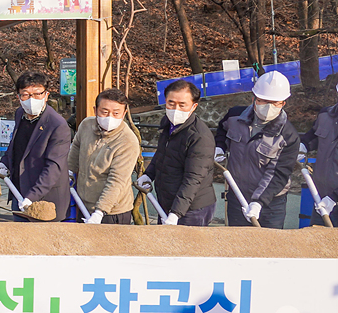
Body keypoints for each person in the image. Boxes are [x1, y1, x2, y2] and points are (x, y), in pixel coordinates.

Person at [214, 71, 299, 228]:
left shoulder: (288, 136)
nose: (268, 107)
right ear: (254, 98)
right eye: (263, 101)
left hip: (270, 203)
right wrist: (219, 146)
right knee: (238, 245)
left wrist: (259, 202)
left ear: (283, 103)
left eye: (275, 103)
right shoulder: (234, 116)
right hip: (237, 197)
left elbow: (278, 174)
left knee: (269, 248)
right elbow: (222, 130)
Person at [138, 79, 216, 226]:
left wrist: (176, 213)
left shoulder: (199, 137)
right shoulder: (168, 125)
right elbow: (162, 153)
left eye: (182, 105)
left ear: (193, 106)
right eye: (171, 103)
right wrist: (149, 174)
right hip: (167, 202)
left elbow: (193, 178)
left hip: (192, 209)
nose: (175, 109)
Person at [0, 71, 71, 221]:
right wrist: (4, 162)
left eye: (37, 94)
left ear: (46, 95)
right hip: (19, 193)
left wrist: (32, 196)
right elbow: (16, 145)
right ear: (18, 96)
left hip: (46, 200)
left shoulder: (57, 125)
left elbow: (54, 168)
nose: (31, 99)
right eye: (25, 94)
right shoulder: (20, 114)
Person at [69, 89, 142, 224]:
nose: (110, 117)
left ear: (124, 113)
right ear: (95, 110)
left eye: (116, 113)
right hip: (84, 204)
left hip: (112, 212)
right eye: (104, 112)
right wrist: (68, 171)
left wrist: (100, 211)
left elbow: (117, 181)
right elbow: (76, 147)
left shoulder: (128, 141)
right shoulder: (86, 125)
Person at [301, 82, 338, 225]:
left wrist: (334, 197)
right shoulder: (326, 115)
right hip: (322, 199)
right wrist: (303, 145)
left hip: (330, 200)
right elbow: (315, 135)